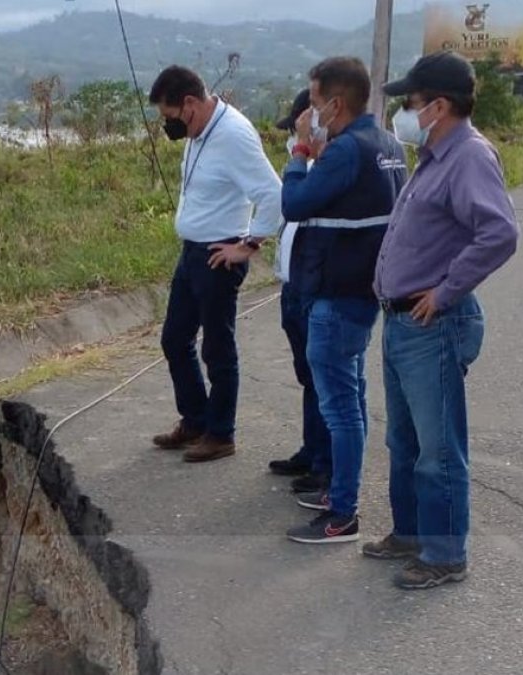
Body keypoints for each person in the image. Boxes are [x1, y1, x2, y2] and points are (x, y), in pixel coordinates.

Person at [367, 51, 519, 589]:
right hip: (402, 321)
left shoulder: (469, 156)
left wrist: (448, 290)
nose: (404, 112)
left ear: (439, 105)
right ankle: (410, 534)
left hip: (431, 325)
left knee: (438, 449)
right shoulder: (434, 155)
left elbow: (499, 232)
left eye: (410, 102)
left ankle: (445, 553)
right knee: (403, 442)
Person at [279, 57, 409, 545]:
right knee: (350, 396)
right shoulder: (389, 144)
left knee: (340, 407)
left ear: (334, 103)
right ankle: (340, 493)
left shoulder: (345, 151)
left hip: (336, 292)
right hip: (362, 291)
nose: (309, 113)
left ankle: (343, 513)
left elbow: (293, 202)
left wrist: (300, 150)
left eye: (313, 103)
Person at [147, 65, 283, 463]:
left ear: (189, 104)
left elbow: (273, 193)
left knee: (218, 349)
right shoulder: (200, 131)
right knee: (175, 338)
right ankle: (195, 419)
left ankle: (220, 433)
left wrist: (249, 244)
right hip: (193, 252)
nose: (169, 126)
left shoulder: (233, 135)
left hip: (218, 255)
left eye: (171, 117)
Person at [267, 88, 333, 496]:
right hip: (293, 286)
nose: (293, 140)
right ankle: (312, 451)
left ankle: (327, 464)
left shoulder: (326, 167)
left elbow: (300, 207)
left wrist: (303, 154)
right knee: (308, 377)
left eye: (297, 130)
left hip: (315, 288)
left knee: (326, 381)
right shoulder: (305, 165)